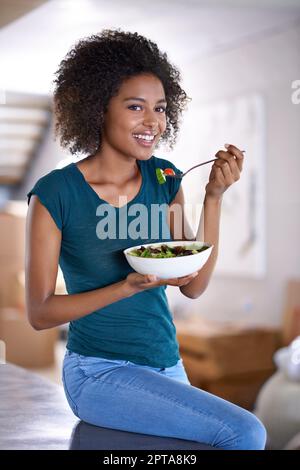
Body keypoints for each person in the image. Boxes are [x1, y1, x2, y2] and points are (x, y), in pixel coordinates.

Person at [25, 29, 266, 450]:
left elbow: (193, 284)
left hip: (165, 364)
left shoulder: (166, 178)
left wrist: (213, 197)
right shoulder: (55, 193)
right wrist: (126, 286)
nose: (152, 121)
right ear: (98, 109)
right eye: (135, 106)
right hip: (97, 372)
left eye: (160, 108)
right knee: (245, 432)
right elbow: (41, 313)